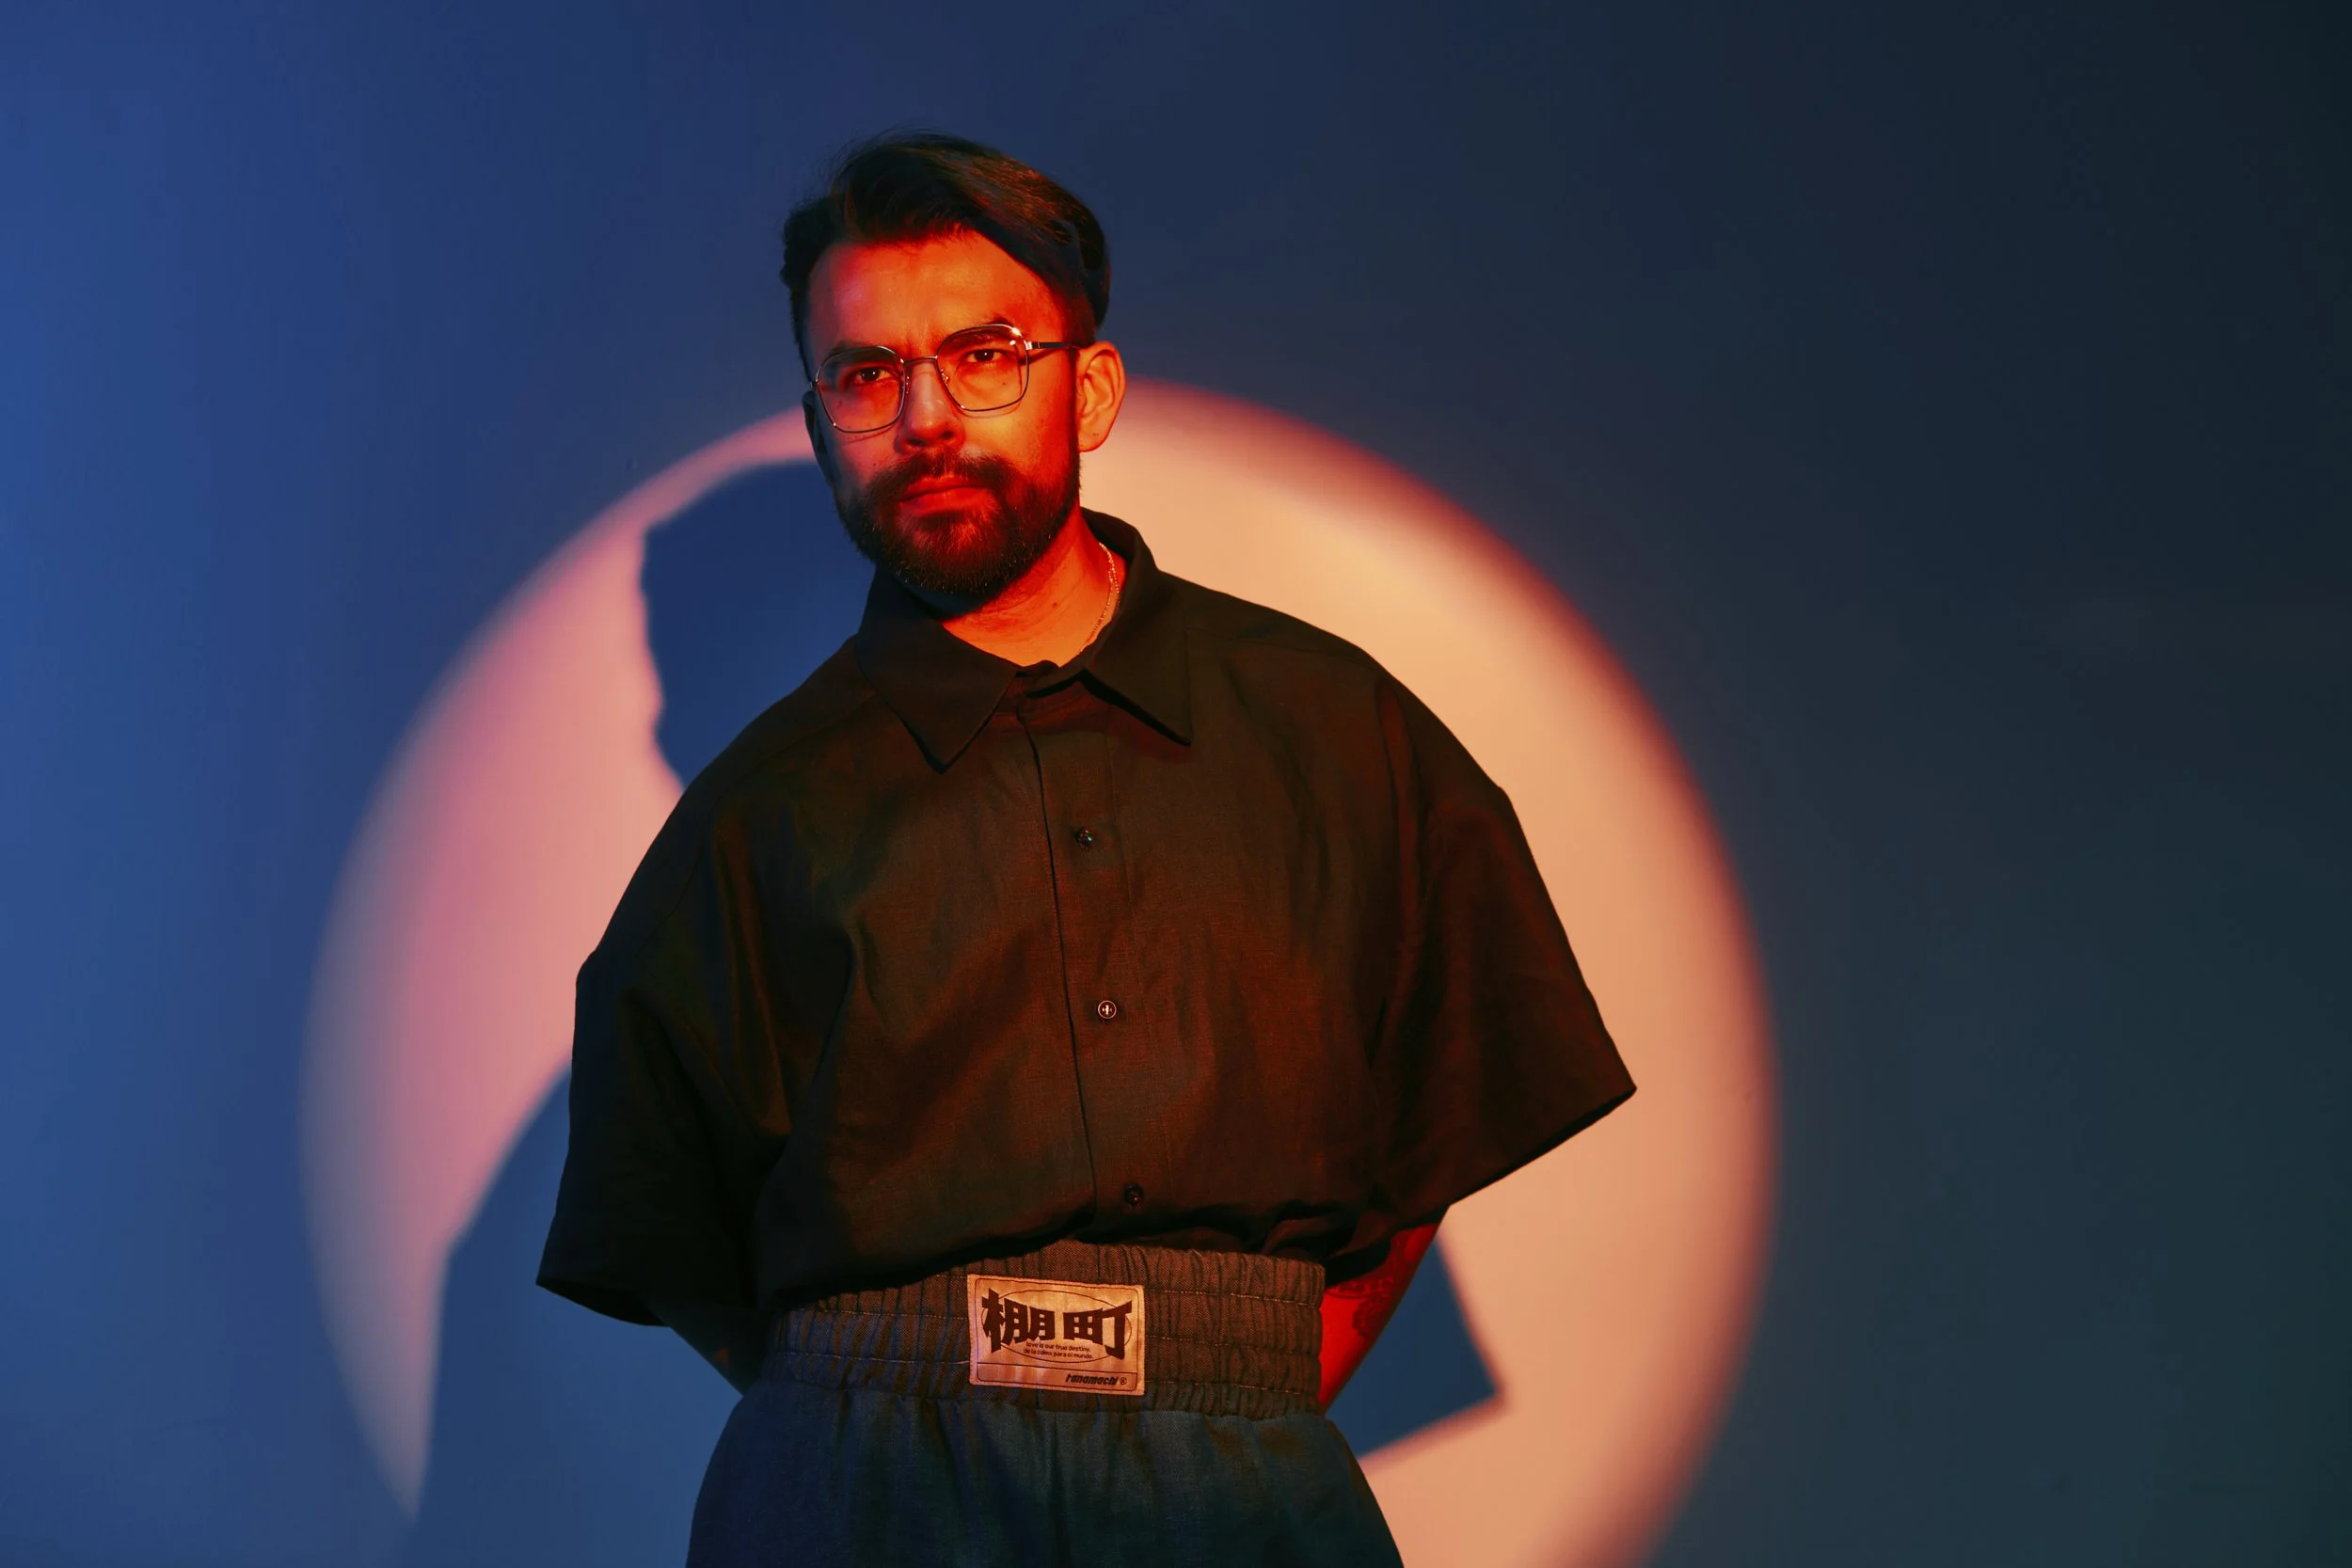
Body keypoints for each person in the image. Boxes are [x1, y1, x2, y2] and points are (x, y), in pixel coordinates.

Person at [537, 132, 1635, 1567]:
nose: (925, 417)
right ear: (817, 424)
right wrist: (878, 1389)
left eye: (984, 354)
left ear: (1091, 387)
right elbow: (673, 1232)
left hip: (1239, 1474)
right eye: (865, 374)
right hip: (859, 1490)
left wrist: (1233, 1377)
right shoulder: (755, 813)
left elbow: (1446, 1095)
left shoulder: (1331, 727)